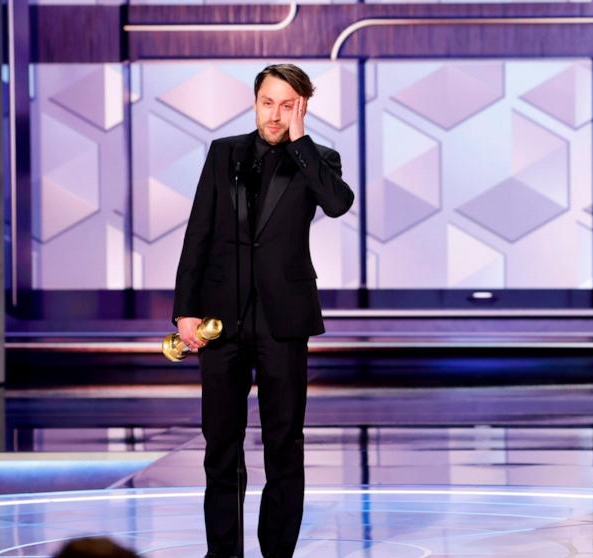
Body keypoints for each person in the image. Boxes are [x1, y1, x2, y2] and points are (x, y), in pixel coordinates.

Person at [172, 64, 355, 557]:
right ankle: (224, 552)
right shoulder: (224, 153)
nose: (275, 114)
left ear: (302, 107)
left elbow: (338, 204)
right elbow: (198, 232)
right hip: (221, 320)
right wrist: (184, 311)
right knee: (221, 445)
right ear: (254, 102)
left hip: (283, 320)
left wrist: (300, 141)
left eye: (287, 104)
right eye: (268, 103)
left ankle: (277, 552)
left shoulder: (318, 159)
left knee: (283, 442)